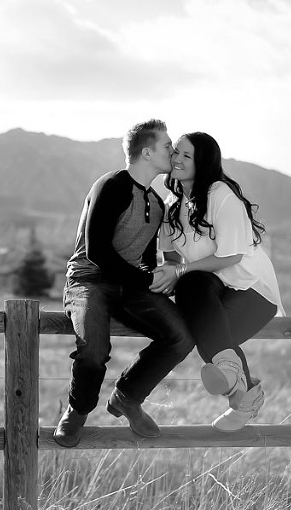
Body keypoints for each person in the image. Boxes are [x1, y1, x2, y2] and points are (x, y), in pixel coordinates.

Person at [54, 119, 196, 448]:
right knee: (94, 350)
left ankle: (127, 397)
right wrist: (146, 278)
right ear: (146, 152)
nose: (172, 152)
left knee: (180, 337)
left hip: (130, 285)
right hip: (90, 280)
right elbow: (99, 251)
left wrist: (163, 280)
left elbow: (146, 259)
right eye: (166, 146)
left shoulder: (157, 204)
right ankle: (76, 412)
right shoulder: (111, 186)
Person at [150, 132, 284, 432]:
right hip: (212, 291)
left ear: (204, 163)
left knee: (207, 332)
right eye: (177, 153)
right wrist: (165, 275)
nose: (177, 159)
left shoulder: (221, 195)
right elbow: (172, 260)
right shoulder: (171, 207)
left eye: (187, 155)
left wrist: (180, 272)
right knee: (192, 287)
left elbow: (231, 257)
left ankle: (240, 391)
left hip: (252, 291)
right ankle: (242, 391)